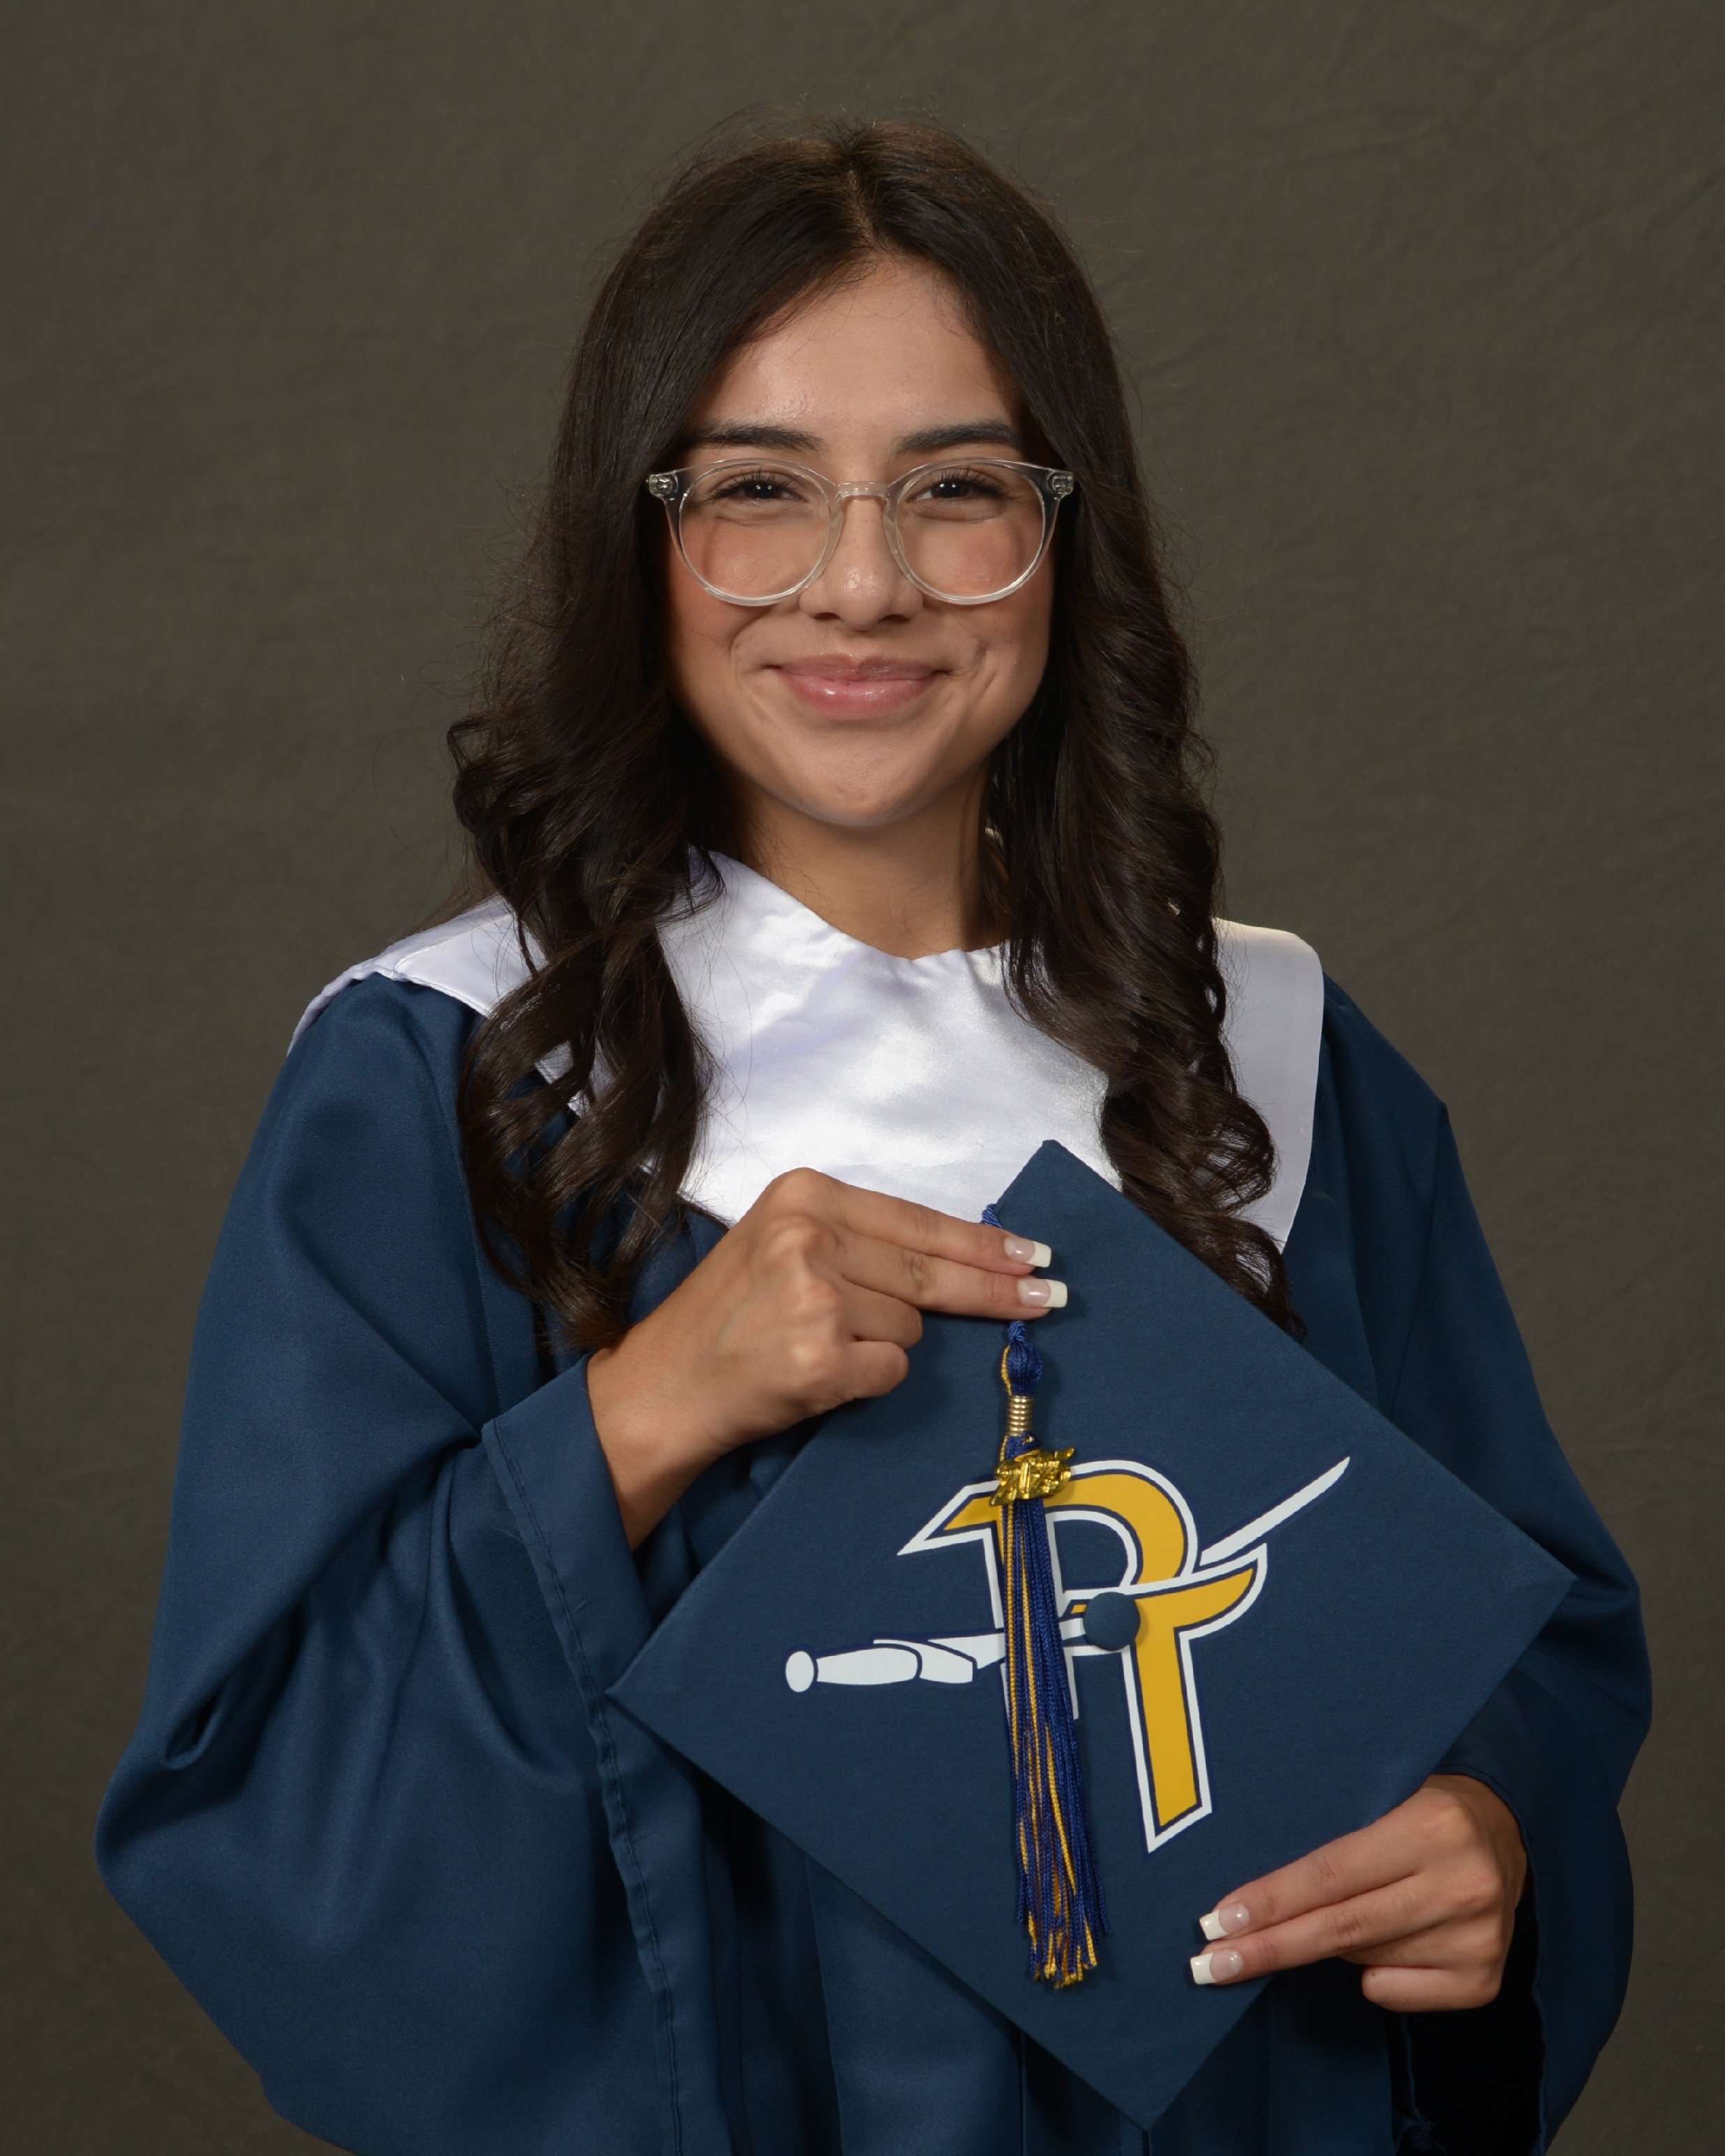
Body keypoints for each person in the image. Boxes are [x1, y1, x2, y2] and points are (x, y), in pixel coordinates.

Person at [96, 119, 1648, 2156]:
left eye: (957, 489)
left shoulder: (1275, 1067)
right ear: (640, 539)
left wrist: (1492, 1831)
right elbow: (278, 1796)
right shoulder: (452, 1084)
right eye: (756, 490)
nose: (861, 584)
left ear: (1064, 537)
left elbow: (1519, 1644)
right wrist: (640, 1417)